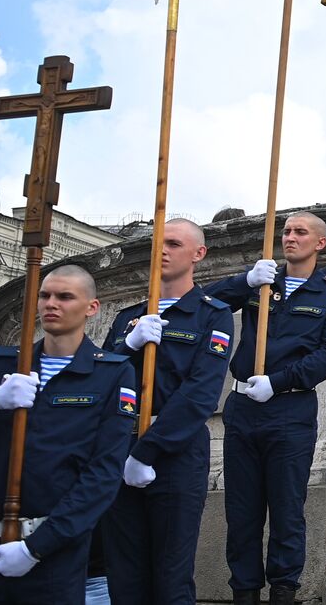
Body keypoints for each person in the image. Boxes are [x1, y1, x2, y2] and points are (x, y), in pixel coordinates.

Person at [207, 211, 326, 605]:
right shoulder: (263, 281)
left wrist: (280, 380)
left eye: (300, 232)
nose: (290, 237)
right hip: (243, 408)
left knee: (287, 508)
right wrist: (245, 281)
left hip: (289, 410)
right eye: (287, 231)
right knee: (241, 510)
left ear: (319, 243)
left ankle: (284, 591)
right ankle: (244, 592)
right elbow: (205, 304)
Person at [102, 219, 234, 604]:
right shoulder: (129, 317)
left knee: (171, 577)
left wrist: (148, 450)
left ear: (198, 254)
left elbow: (200, 394)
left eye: (174, 243)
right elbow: (103, 381)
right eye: (159, 241)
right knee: (124, 576)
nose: (162, 250)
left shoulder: (212, 314)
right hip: (119, 448)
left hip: (175, 453)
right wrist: (127, 345)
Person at [0, 265, 134, 603]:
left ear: (91, 307)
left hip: (55, 554)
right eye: (45, 296)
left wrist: (35, 549)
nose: (51, 304)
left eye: (65, 296)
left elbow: (103, 474)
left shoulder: (111, 373)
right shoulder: (1, 365)